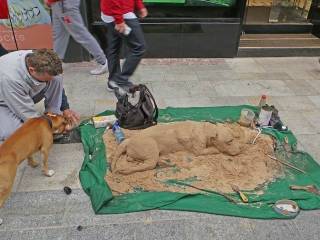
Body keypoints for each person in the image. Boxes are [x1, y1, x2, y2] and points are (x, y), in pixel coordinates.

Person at [0, 48, 80, 141]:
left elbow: (56, 82)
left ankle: (52, 115)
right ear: (32, 70)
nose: (49, 83)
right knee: (15, 132)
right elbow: (28, 115)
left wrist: (65, 108)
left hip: (22, 92)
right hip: (4, 100)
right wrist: (55, 128)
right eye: (46, 80)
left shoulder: (38, 58)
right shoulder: (10, 79)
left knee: (56, 78)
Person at [45, 0, 108, 75]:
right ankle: (56, 64)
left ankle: (103, 61)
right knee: (59, 35)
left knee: (80, 34)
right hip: (58, 4)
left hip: (64, 4)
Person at [100, 0, 147, 94]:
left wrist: (139, 5)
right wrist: (119, 19)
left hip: (111, 13)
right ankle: (120, 80)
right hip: (122, 13)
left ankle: (112, 81)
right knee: (139, 47)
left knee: (114, 48)